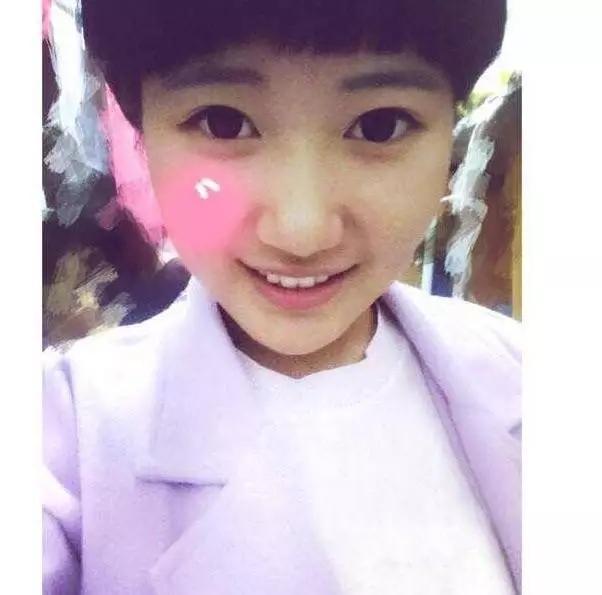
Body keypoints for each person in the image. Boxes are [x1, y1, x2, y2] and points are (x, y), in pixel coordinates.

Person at [43, 1, 520, 593]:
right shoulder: (62, 432)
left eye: (380, 126)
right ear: (141, 138)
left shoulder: (528, 375)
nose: (302, 231)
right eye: (223, 123)